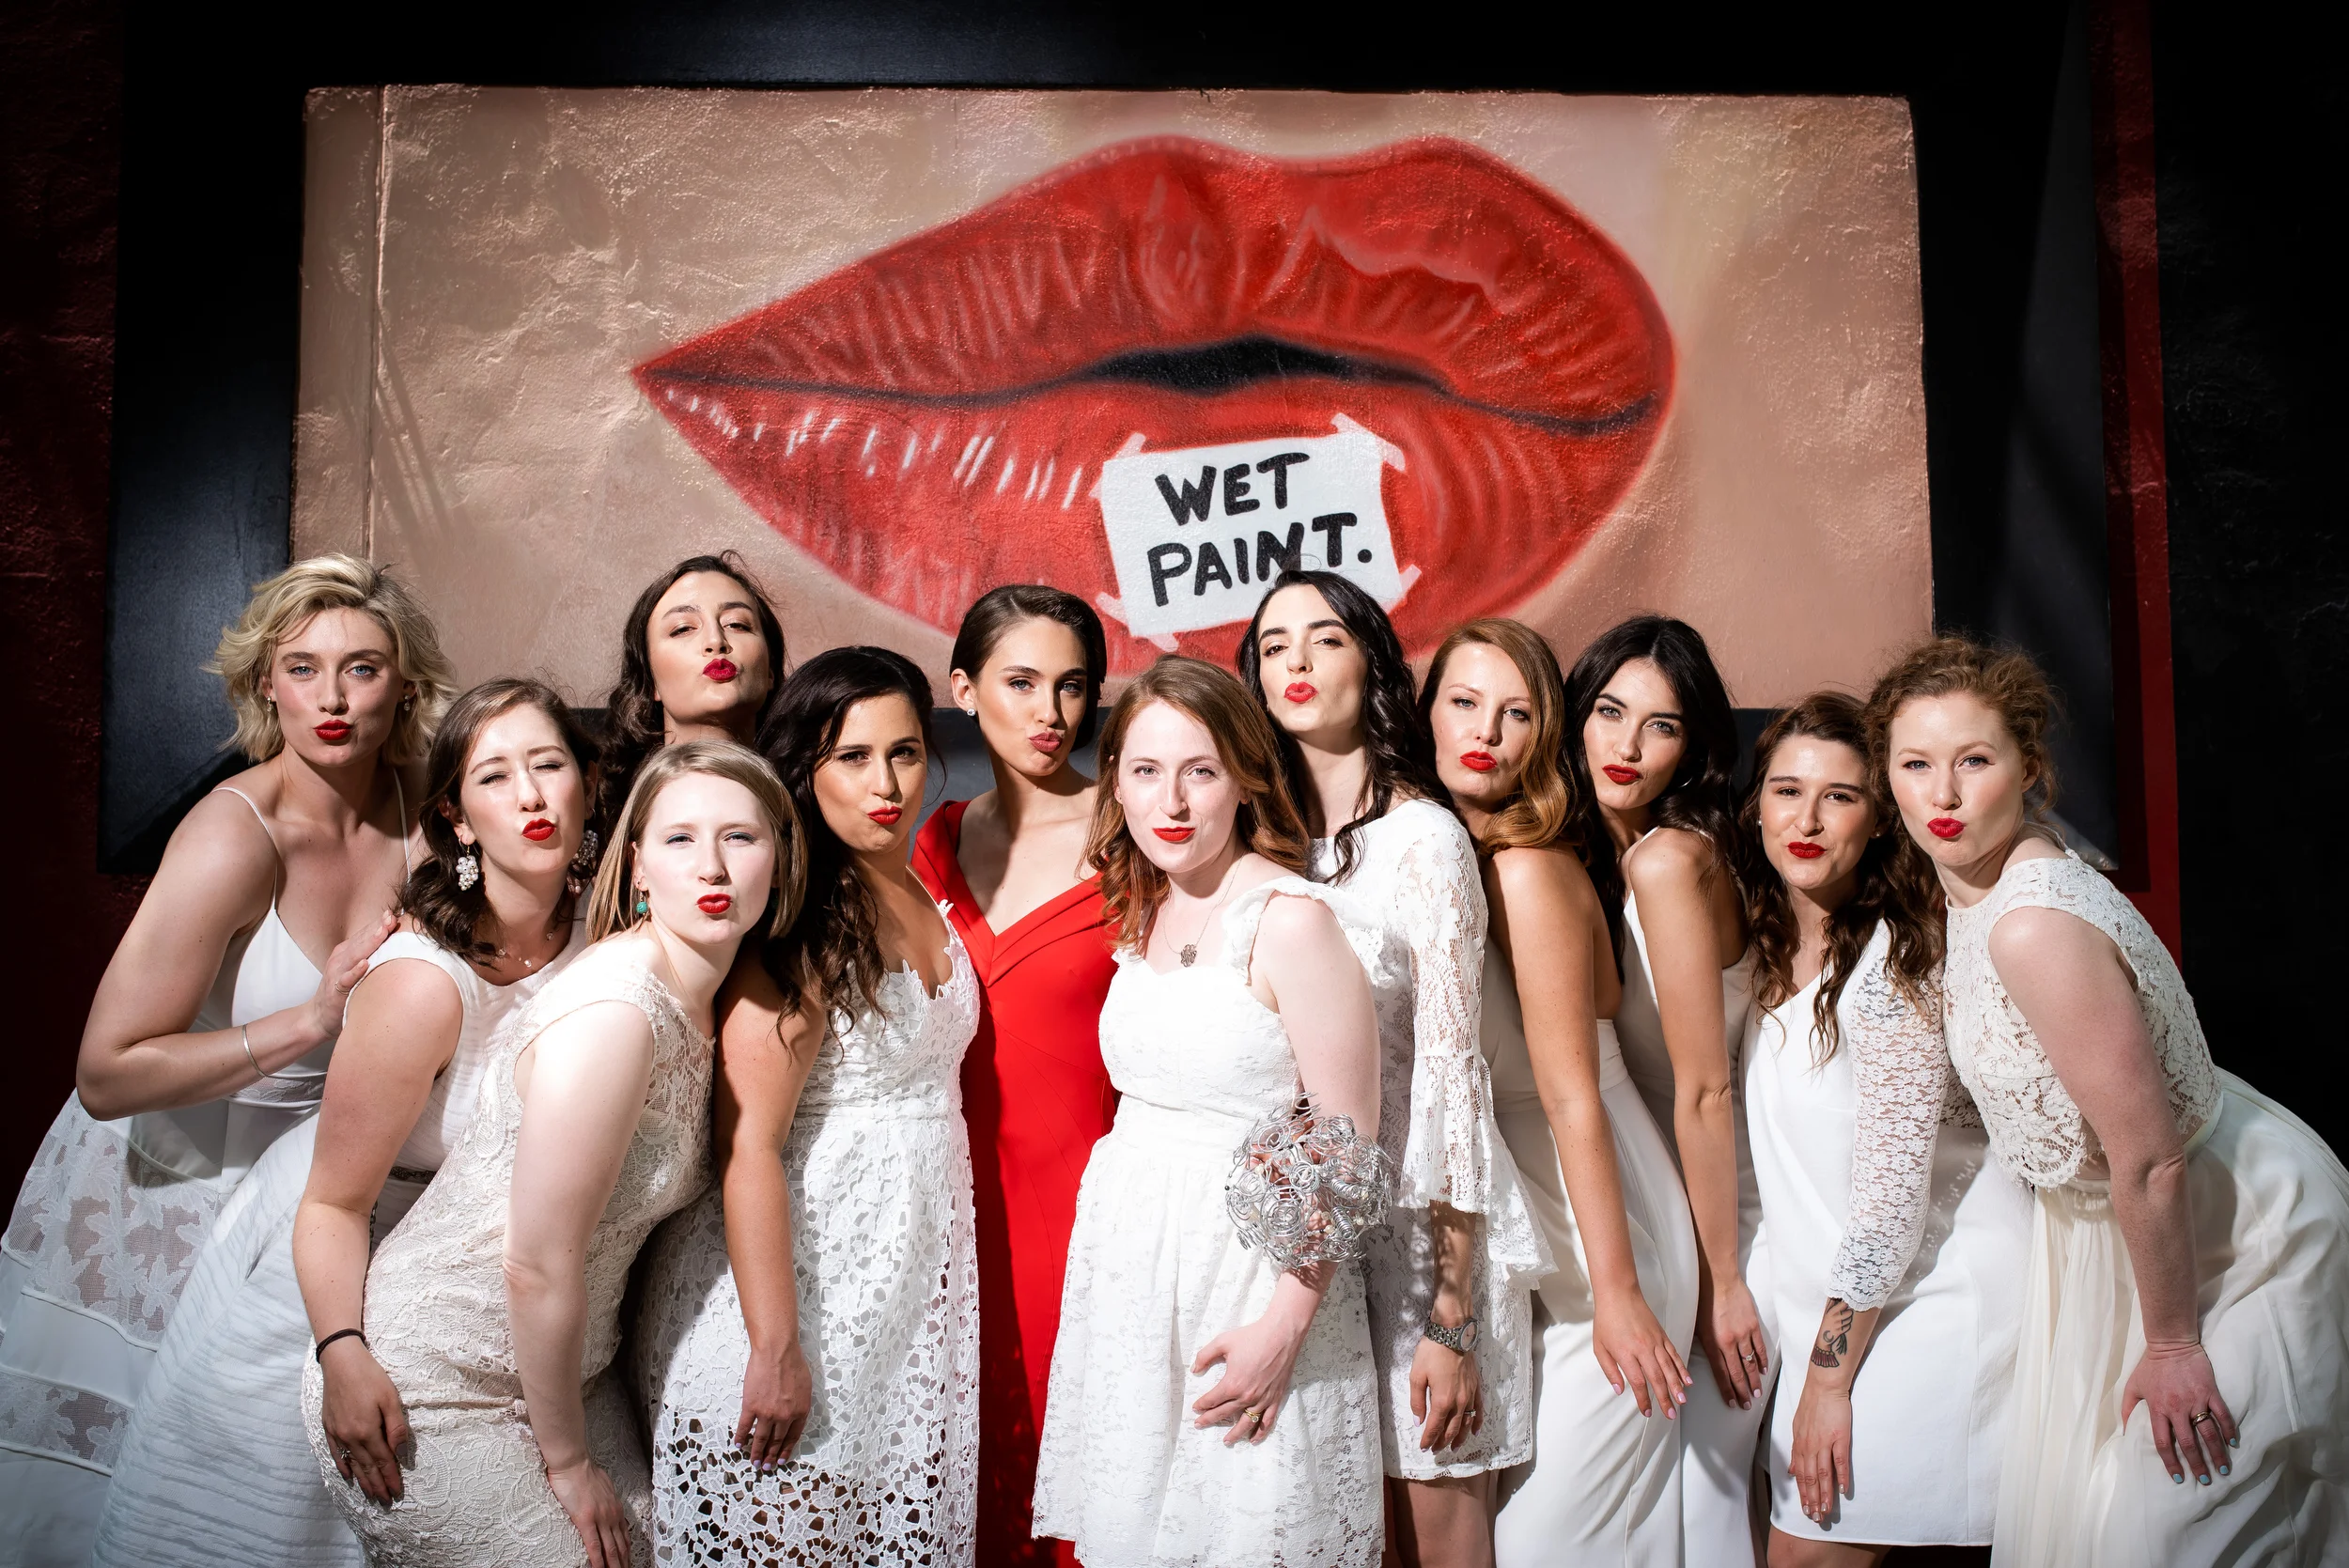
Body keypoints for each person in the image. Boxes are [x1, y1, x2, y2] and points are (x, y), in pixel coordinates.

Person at [0, 554, 451, 1568]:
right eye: (302, 668)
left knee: (269, 1509)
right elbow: (107, 1071)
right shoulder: (232, 835)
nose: (332, 698)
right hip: (178, 1190)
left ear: (406, 687)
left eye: (362, 668)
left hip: (323, 1196)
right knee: (127, 1496)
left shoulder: (428, 811)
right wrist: (310, 1020)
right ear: (264, 686)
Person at [91, 680, 598, 1567]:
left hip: (488, 1290)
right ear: (457, 819)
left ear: (587, 785)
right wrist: (341, 1350)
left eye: (549, 765)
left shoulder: (610, 938)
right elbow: (333, 1203)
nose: (531, 794)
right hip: (345, 1255)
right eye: (495, 775)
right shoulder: (420, 978)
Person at [1869, 637, 2349, 1567]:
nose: (1944, 794)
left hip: (2228, 1227)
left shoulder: (2029, 921)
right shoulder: (1975, 886)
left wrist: (2172, 1347)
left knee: (2158, 1531)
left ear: (2029, 768)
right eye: (1915, 764)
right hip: (2132, 1239)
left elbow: (2150, 1156)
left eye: (1975, 760)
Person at [304, 740, 798, 1568]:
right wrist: (568, 1464)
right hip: (433, 1387)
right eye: (680, 838)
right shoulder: (618, 1012)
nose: (712, 865)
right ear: (638, 868)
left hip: (570, 1376)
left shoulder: (711, 997)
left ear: (779, 864)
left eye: (740, 837)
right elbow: (534, 1262)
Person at [1032, 656, 1387, 1568]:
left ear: (1244, 779)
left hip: (1252, 1282)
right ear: (1116, 783)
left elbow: (1349, 1145)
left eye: (1201, 770)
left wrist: (1284, 1326)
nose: (1173, 802)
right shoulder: (1143, 905)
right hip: (1136, 1279)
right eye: (1146, 771)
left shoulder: (1290, 920)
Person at [636, 647, 982, 1564]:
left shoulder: (913, 881)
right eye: (852, 757)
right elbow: (746, 1145)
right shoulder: (798, 919)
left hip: (910, 1276)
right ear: (804, 769)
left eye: (904, 752)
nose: (886, 784)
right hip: (810, 1284)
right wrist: (775, 1345)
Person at [1238, 572, 1549, 1568]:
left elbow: (1455, 1083)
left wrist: (1452, 1317)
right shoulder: (1267, 842)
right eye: (1274, 644)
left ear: (1371, 663)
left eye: (1324, 638)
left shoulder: (1425, 841)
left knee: (1441, 1536)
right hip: (1320, 1244)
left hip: (1426, 1240)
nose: (1295, 660)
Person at [1422, 620, 1696, 1567]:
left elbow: (1574, 1099)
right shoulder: (1446, 857)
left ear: (1545, 732)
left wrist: (1618, 1292)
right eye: (1464, 702)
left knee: (1550, 1544)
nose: (1485, 731)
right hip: (1540, 1219)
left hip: (1606, 1229)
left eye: (1517, 712)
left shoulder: (1527, 868)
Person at [1735, 692, 2031, 1566]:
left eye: (1840, 796)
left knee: (1805, 1554)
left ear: (1879, 819)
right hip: (1836, 1308)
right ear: (1756, 804)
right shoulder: (1763, 949)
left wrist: (1828, 1383)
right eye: (1787, 790)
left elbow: (1890, 1204)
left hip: (1932, 1298)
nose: (1807, 820)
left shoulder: (1901, 962)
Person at [913, 585, 1119, 1568]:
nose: (1051, 712)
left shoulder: (1134, 828)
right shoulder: (934, 837)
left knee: (1086, 1482)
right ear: (964, 689)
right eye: (1022, 682)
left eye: (1072, 687)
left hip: (1089, 1211)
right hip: (950, 1209)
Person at [1563, 613, 1766, 1563]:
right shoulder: (1597, 858)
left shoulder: (1668, 859)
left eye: (1662, 725)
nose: (1627, 745)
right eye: (1609, 712)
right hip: (1667, 1200)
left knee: (1709, 1509)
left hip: (1732, 1209)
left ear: (1693, 747)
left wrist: (1723, 1281)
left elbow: (1705, 1090)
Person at [597, 551, 786, 827]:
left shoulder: (814, 806)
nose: (716, 640)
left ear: (770, 671)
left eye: (737, 624)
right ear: (649, 679)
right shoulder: (602, 818)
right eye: (683, 629)